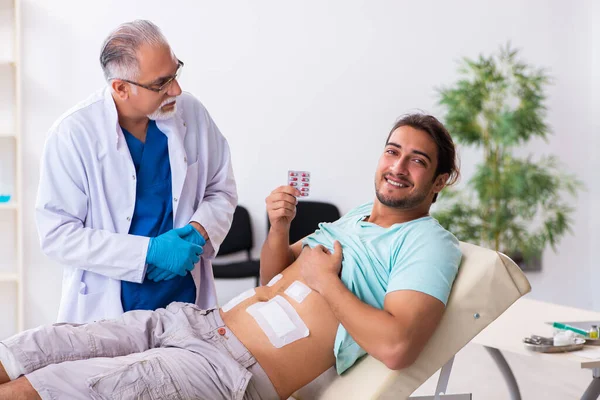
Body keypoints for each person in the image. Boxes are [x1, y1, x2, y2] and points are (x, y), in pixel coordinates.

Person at [0, 114, 462, 400]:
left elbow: (396, 347)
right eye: (392, 152)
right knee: (32, 350)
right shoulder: (357, 218)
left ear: (441, 180)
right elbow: (273, 278)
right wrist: (280, 227)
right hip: (195, 323)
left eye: (417, 160)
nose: (397, 167)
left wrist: (328, 283)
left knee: (42, 390)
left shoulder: (427, 243)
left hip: (228, 371)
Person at [35, 20, 237, 323]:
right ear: (121, 88)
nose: (177, 89)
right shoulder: (73, 134)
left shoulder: (191, 112)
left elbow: (221, 189)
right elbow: (57, 234)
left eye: (176, 72)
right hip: (110, 305)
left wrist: (199, 230)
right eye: (161, 83)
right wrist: (147, 252)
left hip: (184, 296)